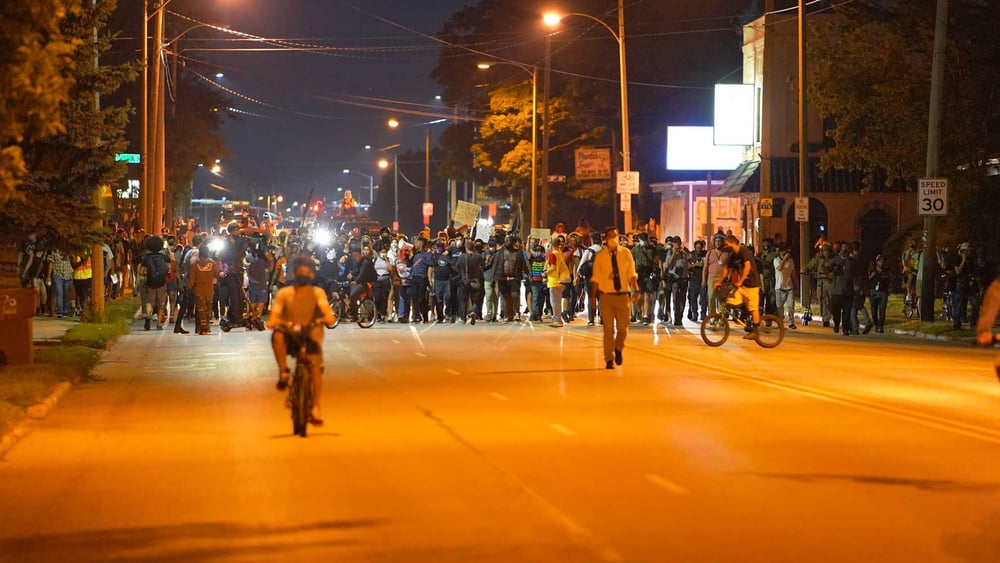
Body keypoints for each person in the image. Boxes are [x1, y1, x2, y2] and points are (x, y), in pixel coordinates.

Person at [268, 256, 337, 425]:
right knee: (277, 335)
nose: (304, 275)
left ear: (312, 275)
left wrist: (328, 318)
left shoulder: (317, 293)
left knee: (315, 370)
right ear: (294, 273)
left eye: (307, 272)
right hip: (290, 334)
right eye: (300, 272)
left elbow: (326, 311)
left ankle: (314, 407)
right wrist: (277, 322)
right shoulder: (284, 293)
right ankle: (284, 371)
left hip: (311, 335)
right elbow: (275, 315)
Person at [590, 227, 639, 369]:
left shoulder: (626, 253)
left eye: (615, 236)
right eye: (610, 236)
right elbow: (595, 279)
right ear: (605, 239)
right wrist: (593, 297)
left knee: (623, 329)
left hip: (623, 296)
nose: (613, 238)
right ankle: (608, 359)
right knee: (609, 330)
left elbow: (632, 274)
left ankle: (618, 349)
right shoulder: (601, 256)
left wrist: (636, 289)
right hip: (606, 297)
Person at [715, 235, 763, 340]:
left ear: (733, 243)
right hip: (742, 286)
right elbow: (726, 269)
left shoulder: (743, 251)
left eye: (727, 244)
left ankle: (755, 331)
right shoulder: (733, 256)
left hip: (752, 285)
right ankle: (746, 314)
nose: (726, 247)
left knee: (753, 307)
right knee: (731, 301)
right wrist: (719, 281)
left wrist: (740, 281)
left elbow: (747, 266)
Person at [545, 237, 572, 328]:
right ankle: (559, 320)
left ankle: (557, 320)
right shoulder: (560, 253)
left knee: (554, 302)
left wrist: (545, 273)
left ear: (551, 244)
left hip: (554, 280)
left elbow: (552, 267)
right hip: (560, 280)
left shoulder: (553, 254)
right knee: (558, 302)